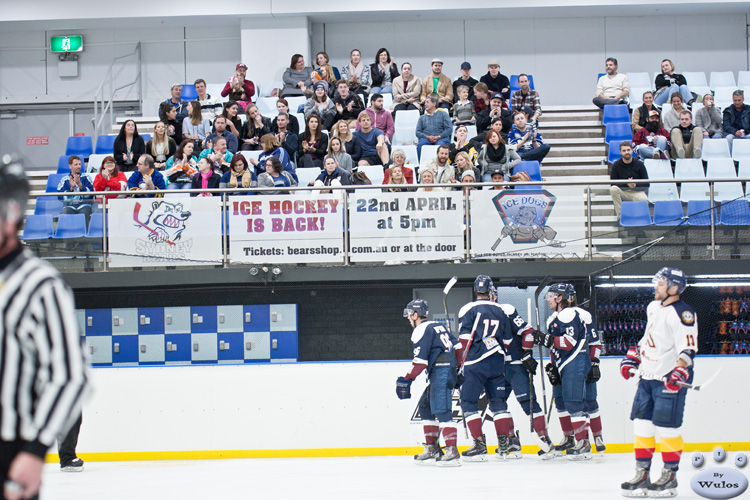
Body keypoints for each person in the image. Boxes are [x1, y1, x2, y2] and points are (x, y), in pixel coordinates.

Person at [0, 158, 89, 499]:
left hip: (11, 448)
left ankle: (66, 454)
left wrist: (35, 451)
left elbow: (70, 375)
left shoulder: (41, 284)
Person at [619, 268, 697, 497]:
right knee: (642, 426)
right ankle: (642, 473)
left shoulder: (684, 313)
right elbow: (648, 339)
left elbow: (688, 349)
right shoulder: (653, 307)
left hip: (669, 379)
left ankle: (669, 477)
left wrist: (679, 372)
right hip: (647, 377)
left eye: (661, 284)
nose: (656, 287)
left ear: (674, 288)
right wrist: (633, 356)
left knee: (667, 429)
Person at [487, 286, 554, 458]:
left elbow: (528, 332)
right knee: (496, 403)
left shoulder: (506, 310)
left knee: (528, 402)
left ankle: (544, 439)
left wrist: (525, 353)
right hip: (496, 367)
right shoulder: (481, 314)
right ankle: (511, 442)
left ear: (493, 296)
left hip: (515, 365)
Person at [456, 276, 516, 461]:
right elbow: (508, 341)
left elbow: (464, 341)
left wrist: (459, 365)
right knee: (499, 403)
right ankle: (504, 445)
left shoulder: (467, 309)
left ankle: (479, 444)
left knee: (468, 402)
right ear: (490, 290)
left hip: (475, 363)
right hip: (497, 362)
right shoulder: (501, 310)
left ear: (475, 290)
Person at [396, 299, 461, 466]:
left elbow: (420, 362)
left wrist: (407, 379)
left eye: (410, 314)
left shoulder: (420, 330)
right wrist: (458, 369)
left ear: (416, 314)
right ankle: (432, 448)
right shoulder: (438, 326)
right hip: (445, 370)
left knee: (441, 410)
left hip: (440, 371)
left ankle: (452, 452)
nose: (409, 318)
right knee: (425, 407)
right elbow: (458, 346)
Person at [534, 283, 594, 460]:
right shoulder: (555, 317)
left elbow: (568, 342)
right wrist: (553, 364)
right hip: (563, 364)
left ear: (560, 298)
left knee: (574, 402)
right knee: (560, 402)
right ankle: (569, 438)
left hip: (575, 362)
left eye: (551, 296)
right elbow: (555, 347)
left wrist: (548, 339)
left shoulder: (568, 314)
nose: (548, 299)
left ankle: (583, 442)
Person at [609, 142, 649, 219]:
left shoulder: (639, 164)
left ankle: (640, 220)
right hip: (623, 192)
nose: (626, 152)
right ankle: (621, 217)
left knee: (644, 199)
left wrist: (635, 185)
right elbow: (613, 183)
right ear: (620, 152)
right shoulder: (616, 165)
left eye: (628, 150)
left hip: (637, 192)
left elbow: (647, 183)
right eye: (624, 151)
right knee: (613, 189)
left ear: (632, 151)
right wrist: (627, 184)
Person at [57, 155, 94, 221]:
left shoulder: (86, 177)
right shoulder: (64, 180)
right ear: (70, 166)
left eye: (79, 164)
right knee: (64, 214)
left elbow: (91, 194)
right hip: (69, 206)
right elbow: (60, 197)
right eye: (76, 164)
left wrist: (80, 184)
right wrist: (71, 188)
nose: (78, 166)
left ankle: (84, 231)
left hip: (84, 205)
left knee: (84, 213)